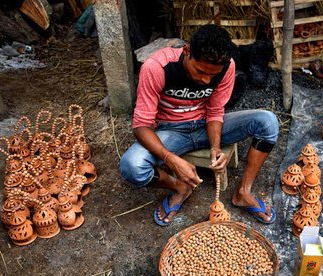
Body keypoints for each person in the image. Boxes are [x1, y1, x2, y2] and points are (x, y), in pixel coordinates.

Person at [119, 24, 279, 226]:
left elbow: (214, 110)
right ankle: (179, 187)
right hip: (171, 130)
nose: (205, 80)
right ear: (186, 51)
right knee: (132, 166)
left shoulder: (226, 66)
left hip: (205, 125)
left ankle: (243, 192)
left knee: (268, 122)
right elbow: (141, 126)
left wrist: (215, 146)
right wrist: (172, 160)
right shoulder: (156, 67)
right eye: (201, 71)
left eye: (212, 75)